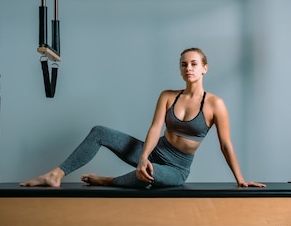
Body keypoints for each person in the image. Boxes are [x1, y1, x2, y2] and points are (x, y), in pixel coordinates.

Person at [21, 47, 265, 188]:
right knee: (99, 132)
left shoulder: (215, 104)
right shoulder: (168, 96)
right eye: (183, 64)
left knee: (151, 175)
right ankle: (56, 174)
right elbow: (155, 128)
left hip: (176, 168)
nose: (188, 68)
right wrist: (143, 157)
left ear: (204, 68)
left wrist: (240, 179)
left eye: (193, 64)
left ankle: (109, 181)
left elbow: (225, 144)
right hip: (155, 152)